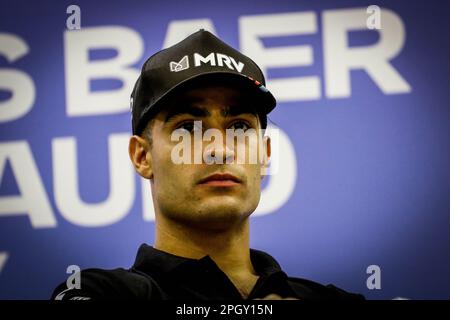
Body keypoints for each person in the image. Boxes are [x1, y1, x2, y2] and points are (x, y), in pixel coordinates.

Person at [51, 29, 364, 300]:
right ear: (142, 157)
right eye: (188, 127)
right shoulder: (99, 292)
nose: (220, 149)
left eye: (240, 127)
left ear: (265, 154)